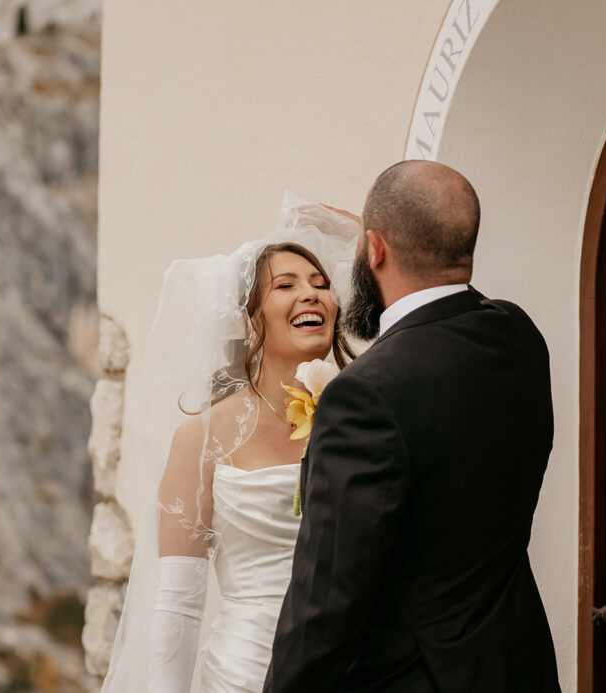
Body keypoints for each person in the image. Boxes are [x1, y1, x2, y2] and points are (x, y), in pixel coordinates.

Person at [265, 161, 561, 692]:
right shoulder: (518, 336)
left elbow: (326, 607)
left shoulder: (366, 392)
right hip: (518, 668)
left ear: (374, 249)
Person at [100, 194, 360, 693]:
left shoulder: (364, 416)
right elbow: (177, 602)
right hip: (246, 676)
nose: (312, 295)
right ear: (247, 320)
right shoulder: (203, 437)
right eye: (286, 285)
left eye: (322, 285)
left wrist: (358, 229)